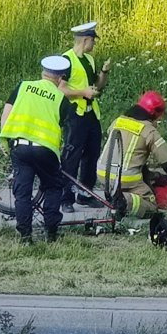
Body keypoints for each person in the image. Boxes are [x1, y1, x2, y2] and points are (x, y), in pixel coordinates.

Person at [0, 56, 72, 243]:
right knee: (52, 187)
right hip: (45, 150)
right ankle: (51, 233)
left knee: (22, 193)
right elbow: (62, 128)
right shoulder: (61, 98)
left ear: (43, 72)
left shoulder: (23, 86)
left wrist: (5, 138)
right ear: (60, 78)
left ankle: (25, 236)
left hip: (20, 148)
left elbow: (7, 112)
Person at [96, 91, 167, 218]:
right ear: (155, 113)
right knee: (151, 204)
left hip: (103, 173)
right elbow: (166, 162)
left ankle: (118, 194)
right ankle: (124, 201)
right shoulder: (149, 130)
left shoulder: (118, 120)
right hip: (126, 178)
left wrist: (153, 175)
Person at [60, 21, 111, 213]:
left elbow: (97, 85)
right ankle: (66, 197)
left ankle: (85, 194)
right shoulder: (66, 60)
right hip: (74, 114)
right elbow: (61, 89)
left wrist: (104, 72)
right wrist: (83, 92)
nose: (94, 45)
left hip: (91, 114)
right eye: (93, 41)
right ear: (86, 40)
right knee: (72, 155)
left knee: (92, 155)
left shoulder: (89, 60)